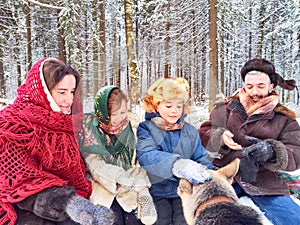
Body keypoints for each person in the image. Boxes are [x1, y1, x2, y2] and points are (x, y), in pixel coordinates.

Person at [0, 57, 114, 225]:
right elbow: (17, 179)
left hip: (65, 196)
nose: (69, 100)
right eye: (62, 92)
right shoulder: (12, 124)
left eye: (72, 92)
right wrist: (68, 203)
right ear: (42, 91)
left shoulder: (69, 122)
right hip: (21, 204)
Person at [199, 58, 300, 225]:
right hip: (225, 176)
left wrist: (272, 151)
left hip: (264, 181)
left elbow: (297, 151)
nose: (255, 91)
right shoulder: (224, 110)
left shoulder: (284, 119)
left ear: (271, 86)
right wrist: (219, 136)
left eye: (261, 86)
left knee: (295, 220)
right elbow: (202, 136)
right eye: (249, 86)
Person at [136, 77, 212, 225]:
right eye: (168, 106)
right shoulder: (146, 128)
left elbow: (201, 157)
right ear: (156, 105)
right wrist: (177, 165)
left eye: (179, 106)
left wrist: (205, 173)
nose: (174, 111)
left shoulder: (189, 131)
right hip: (156, 190)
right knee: (160, 219)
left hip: (184, 191)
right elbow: (146, 155)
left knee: (184, 220)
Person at [79, 85, 157, 225]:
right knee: (112, 218)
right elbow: (94, 163)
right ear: (103, 112)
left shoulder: (131, 126)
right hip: (103, 182)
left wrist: (138, 182)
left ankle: (144, 196)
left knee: (134, 218)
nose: (120, 118)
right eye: (114, 114)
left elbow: (138, 157)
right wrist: (118, 175)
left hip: (131, 179)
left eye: (123, 112)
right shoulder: (91, 129)